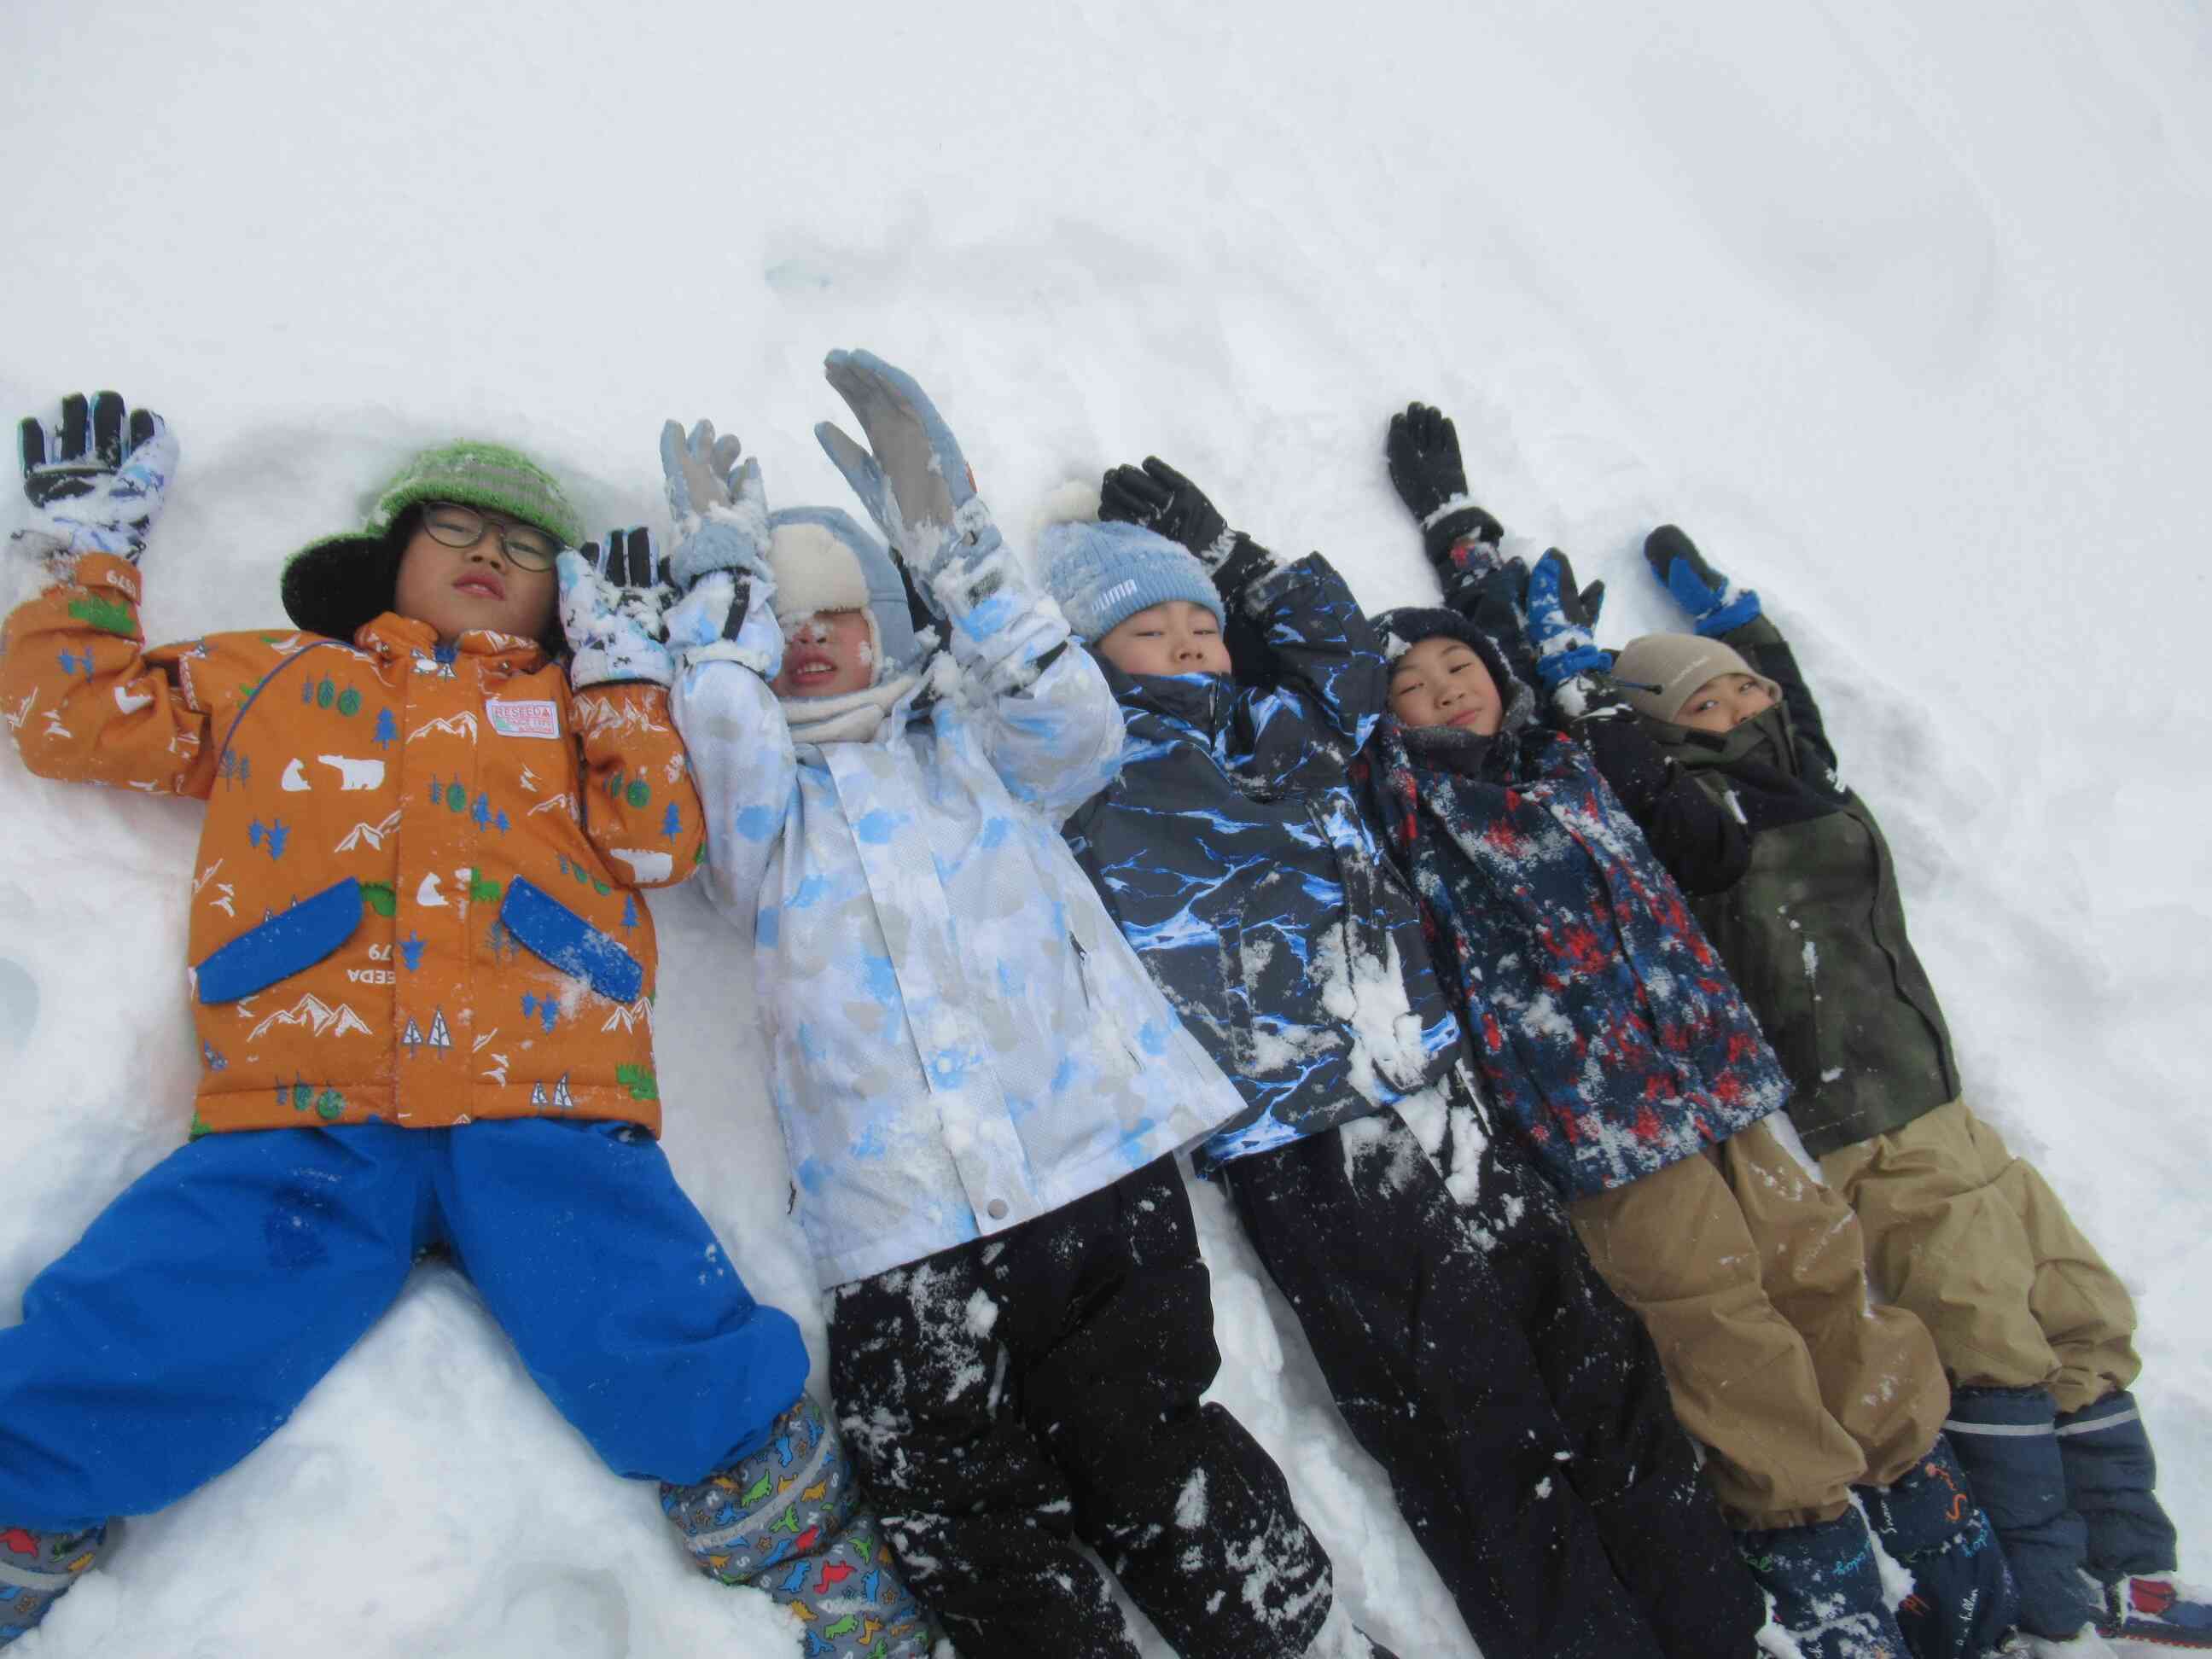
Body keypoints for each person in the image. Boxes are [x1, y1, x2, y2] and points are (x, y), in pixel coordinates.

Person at [0, 394, 928, 1657]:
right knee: (156, 1320)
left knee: (656, 1328)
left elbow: (657, 834)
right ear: (393, 558)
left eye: (529, 546)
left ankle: (814, 1564)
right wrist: (83, 559)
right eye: (453, 527)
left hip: (547, 1101)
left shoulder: (577, 705)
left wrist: (617, 679)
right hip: (305, 1104)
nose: (490, 552)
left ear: (565, 599)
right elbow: (75, 720)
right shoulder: (279, 677)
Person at [664, 352, 1393, 1659]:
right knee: (954, 1503)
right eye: (781, 621)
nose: (810, 635)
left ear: (890, 621)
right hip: (899, 1232)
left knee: (1151, 1445)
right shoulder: (765, 827)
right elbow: (717, 751)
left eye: (837, 610)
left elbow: (1076, 723)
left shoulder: (980, 752)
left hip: (1091, 1175)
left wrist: (970, 572)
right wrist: (718, 606)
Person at [1041, 460, 1767, 1659]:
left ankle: (1716, 1627)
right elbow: (1012, 702)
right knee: (1469, 1420)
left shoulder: (1289, 722)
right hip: (1298, 1137)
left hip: (1433, 1087)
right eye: (1144, 628)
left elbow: (1344, 657)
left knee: (1594, 1359)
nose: (1185, 645)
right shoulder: (1092, 761)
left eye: (1198, 629)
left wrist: (1240, 564)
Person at [1367, 402, 2021, 1659]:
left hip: (1722, 1078)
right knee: (1718, 1333)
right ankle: (1833, 1594)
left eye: (1458, 668)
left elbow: (1533, 640)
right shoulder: (1413, 805)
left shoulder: (1571, 754)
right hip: (1608, 1127)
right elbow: (1347, 698)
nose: (1445, 688)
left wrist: (1461, 530)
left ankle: (1945, 1543)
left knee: (1824, 1275)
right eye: (1413, 687)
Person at [1575, 518, 2209, 1657]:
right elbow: (1634, 792)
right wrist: (1595, 697)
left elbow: (1789, 710)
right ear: (1669, 733)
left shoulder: (1800, 783)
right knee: (1990, 1351)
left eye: (1745, 694)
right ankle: (2054, 1605)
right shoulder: (1690, 818)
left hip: (1942, 1102)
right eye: (1706, 706)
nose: (1742, 712)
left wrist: (1735, 625)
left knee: (2079, 1313)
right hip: (1853, 1127)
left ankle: (2136, 1570)